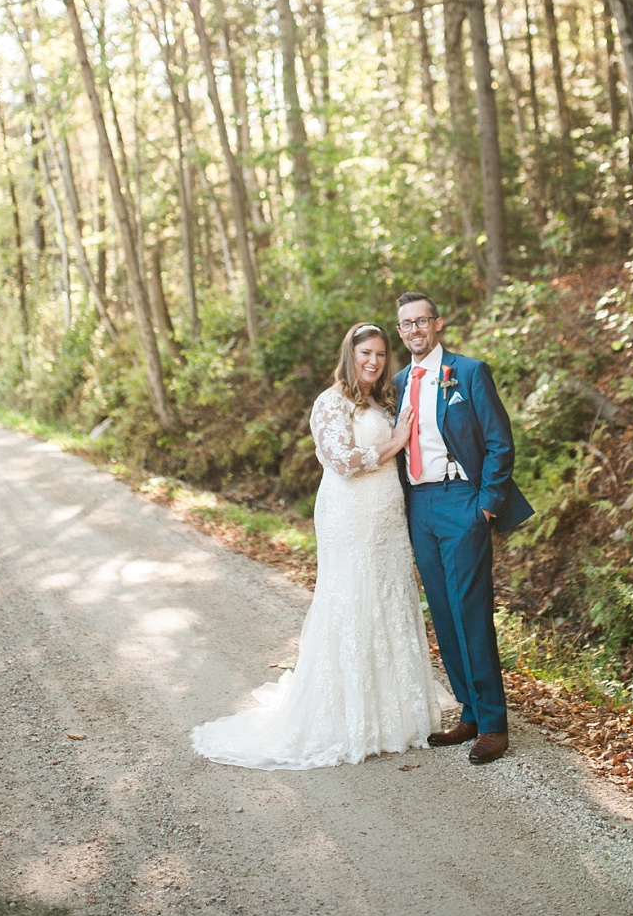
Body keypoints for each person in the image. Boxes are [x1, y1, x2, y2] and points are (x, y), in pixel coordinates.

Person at [191, 323, 446, 770]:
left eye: (381, 355)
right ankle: (347, 718)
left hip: (387, 514)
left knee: (389, 597)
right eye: (366, 353)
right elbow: (343, 461)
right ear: (350, 355)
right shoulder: (330, 403)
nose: (374, 361)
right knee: (351, 598)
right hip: (349, 512)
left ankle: (396, 716)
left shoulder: (383, 401)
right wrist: (395, 442)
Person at [393, 291, 534, 766]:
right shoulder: (398, 381)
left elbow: (499, 442)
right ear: (401, 332)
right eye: (405, 325)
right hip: (420, 505)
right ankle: (469, 713)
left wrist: (487, 506)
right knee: (442, 613)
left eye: (421, 321)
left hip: (462, 502)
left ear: (438, 324)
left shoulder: (468, 373)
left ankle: (493, 723)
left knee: (470, 609)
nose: (414, 330)